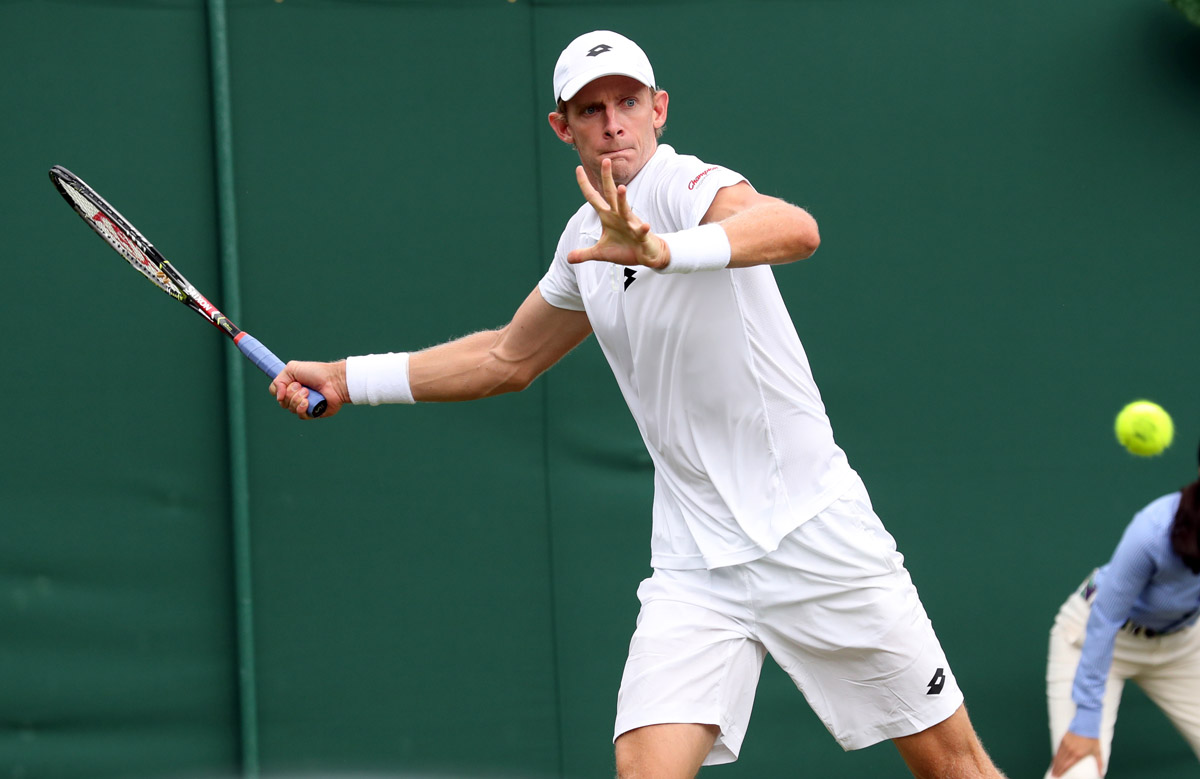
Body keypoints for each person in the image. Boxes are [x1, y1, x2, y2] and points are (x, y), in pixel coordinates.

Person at [270, 30, 1006, 779]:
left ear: (659, 110)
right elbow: (506, 359)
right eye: (591, 110)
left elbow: (795, 229)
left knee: (954, 767)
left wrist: (665, 251)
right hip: (696, 563)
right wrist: (347, 377)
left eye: (627, 102)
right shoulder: (583, 245)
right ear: (563, 128)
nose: (613, 123)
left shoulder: (686, 185)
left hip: (814, 531)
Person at [1045, 439, 1200, 779]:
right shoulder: (1154, 529)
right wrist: (1086, 720)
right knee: (1078, 773)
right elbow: (1104, 619)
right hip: (1096, 638)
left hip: (1182, 645)